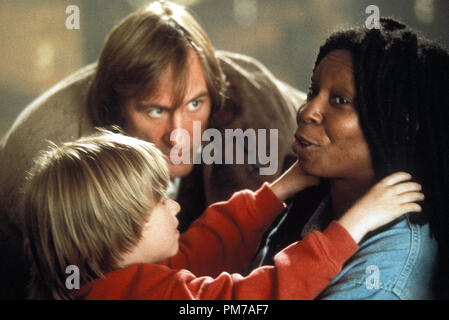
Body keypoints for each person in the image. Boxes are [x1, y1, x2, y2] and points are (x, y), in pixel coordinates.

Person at [0, 1, 303, 298]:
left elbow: (196, 254)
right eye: (156, 111)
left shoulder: (255, 104)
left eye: (196, 103)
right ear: (114, 109)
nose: (180, 137)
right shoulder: (41, 166)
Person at [22, 131, 423, 299]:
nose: (175, 205)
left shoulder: (116, 281)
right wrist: (350, 227)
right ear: (115, 231)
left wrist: (279, 189)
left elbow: (198, 251)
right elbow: (245, 299)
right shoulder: (140, 293)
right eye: (160, 200)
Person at [253, 18, 449, 299]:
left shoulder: (384, 272)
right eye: (313, 91)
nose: (307, 111)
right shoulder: (309, 205)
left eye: (340, 101)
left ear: (402, 125)